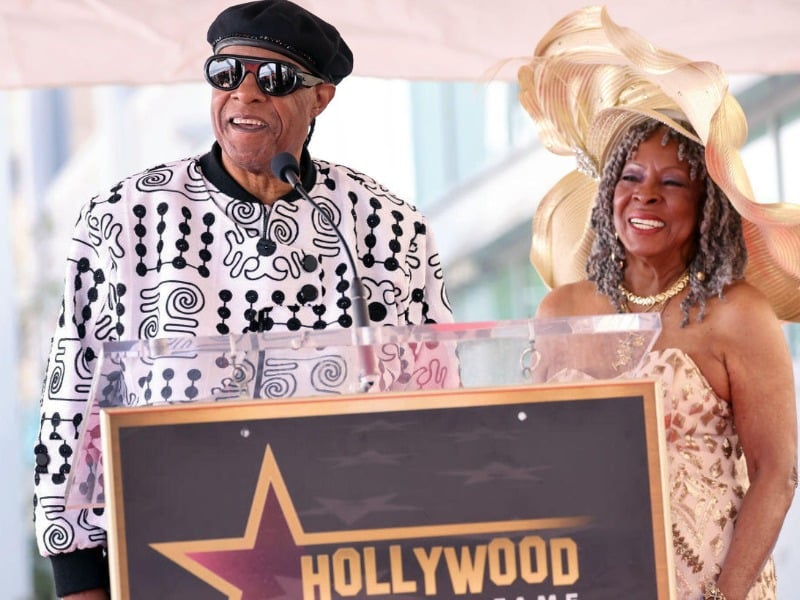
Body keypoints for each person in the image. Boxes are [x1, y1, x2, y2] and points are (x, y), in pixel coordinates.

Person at [32, 1, 453, 597]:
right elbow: (72, 403)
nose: (244, 95)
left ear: (322, 98)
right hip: (170, 558)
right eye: (226, 74)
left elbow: (437, 400)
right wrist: (77, 575)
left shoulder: (386, 225)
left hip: (352, 559)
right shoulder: (124, 219)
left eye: (273, 79)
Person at [518, 7, 799, 600]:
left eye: (672, 182)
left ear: (708, 205)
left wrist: (728, 593)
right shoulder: (560, 310)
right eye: (630, 177)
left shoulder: (737, 313)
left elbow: (777, 472)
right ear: (607, 196)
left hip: (707, 585)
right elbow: (536, 458)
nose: (645, 194)